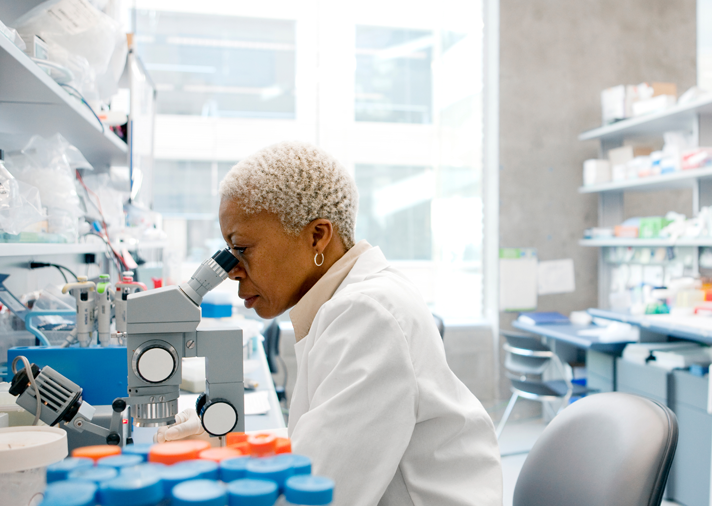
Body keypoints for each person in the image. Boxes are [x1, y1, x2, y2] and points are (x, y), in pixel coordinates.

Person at [155, 141, 503, 505]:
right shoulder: (349, 303)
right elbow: (319, 442)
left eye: (241, 249)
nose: (232, 271)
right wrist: (222, 440)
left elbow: (313, 495)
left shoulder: (369, 316)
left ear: (317, 236)